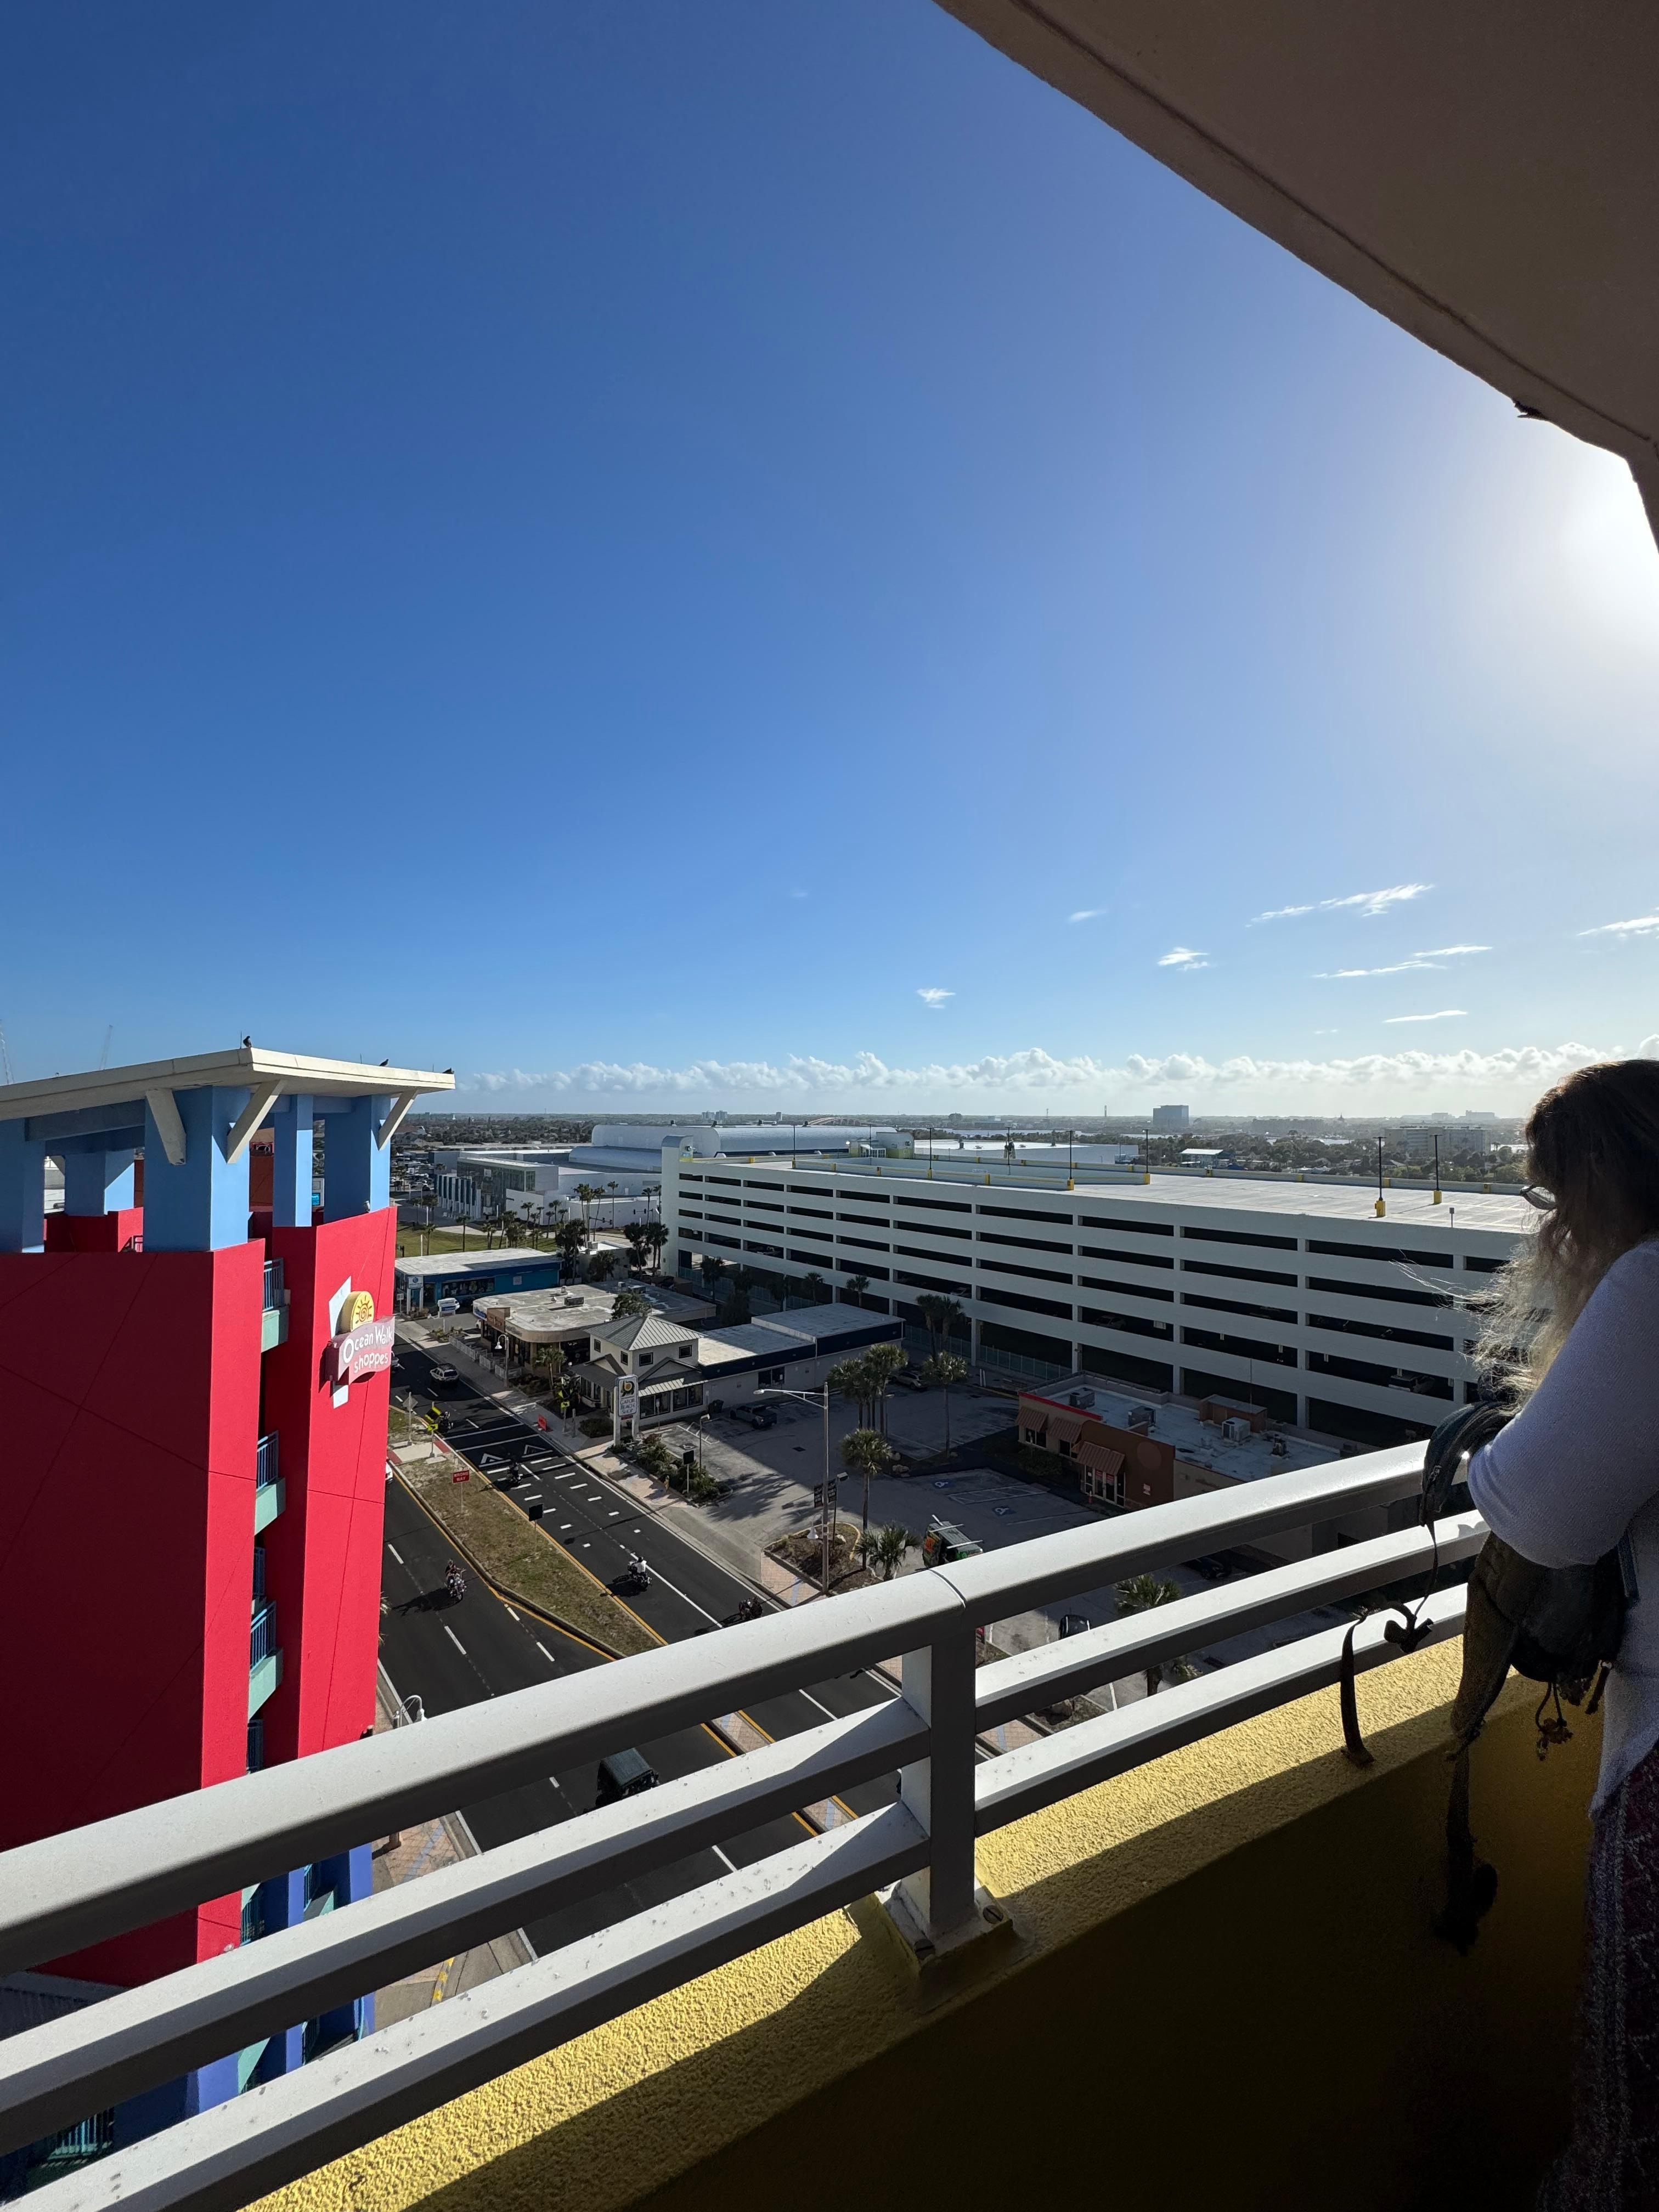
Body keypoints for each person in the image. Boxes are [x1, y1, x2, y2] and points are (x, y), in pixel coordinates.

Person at [1464, 1059, 1659, 2207]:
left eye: (1552, 1198)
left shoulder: (1648, 1286)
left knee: (1629, 2146)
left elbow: (1531, 1504)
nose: (1550, 1228)